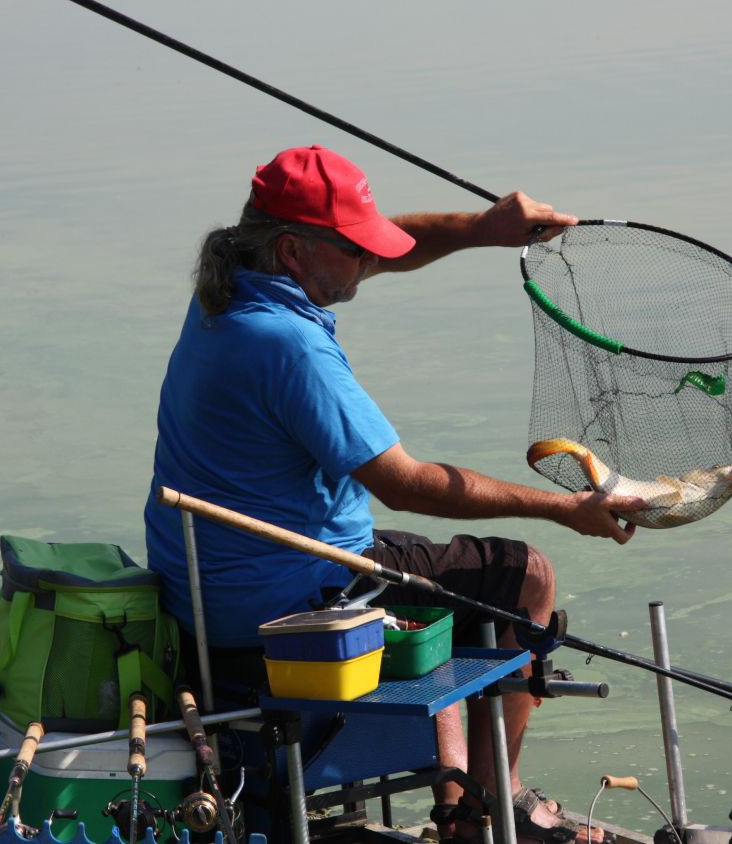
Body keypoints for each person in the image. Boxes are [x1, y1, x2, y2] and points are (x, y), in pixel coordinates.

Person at [145, 145, 644, 844]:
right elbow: (405, 484)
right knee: (524, 576)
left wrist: (482, 228)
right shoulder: (290, 346)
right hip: (289, 605)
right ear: (293, 249)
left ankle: (457, 802)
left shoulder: (227, 295)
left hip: (210, 596)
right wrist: (566, 508)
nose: (369, 261)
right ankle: (488, 809)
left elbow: (391, 247)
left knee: (438, 577)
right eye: (355, 249)